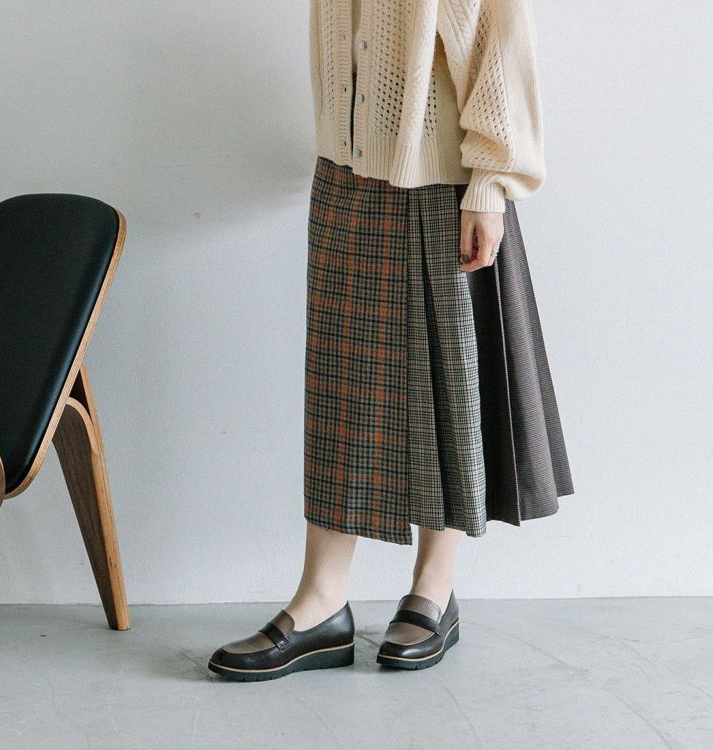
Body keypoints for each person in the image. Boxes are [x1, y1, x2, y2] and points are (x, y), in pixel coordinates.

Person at [208, 0, 574, 681]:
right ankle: (322, 601)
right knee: (339, 393)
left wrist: (490, 186)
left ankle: (433, 589)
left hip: (440, 180)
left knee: (445, 388)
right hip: (343, 172)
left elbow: (497, 40)